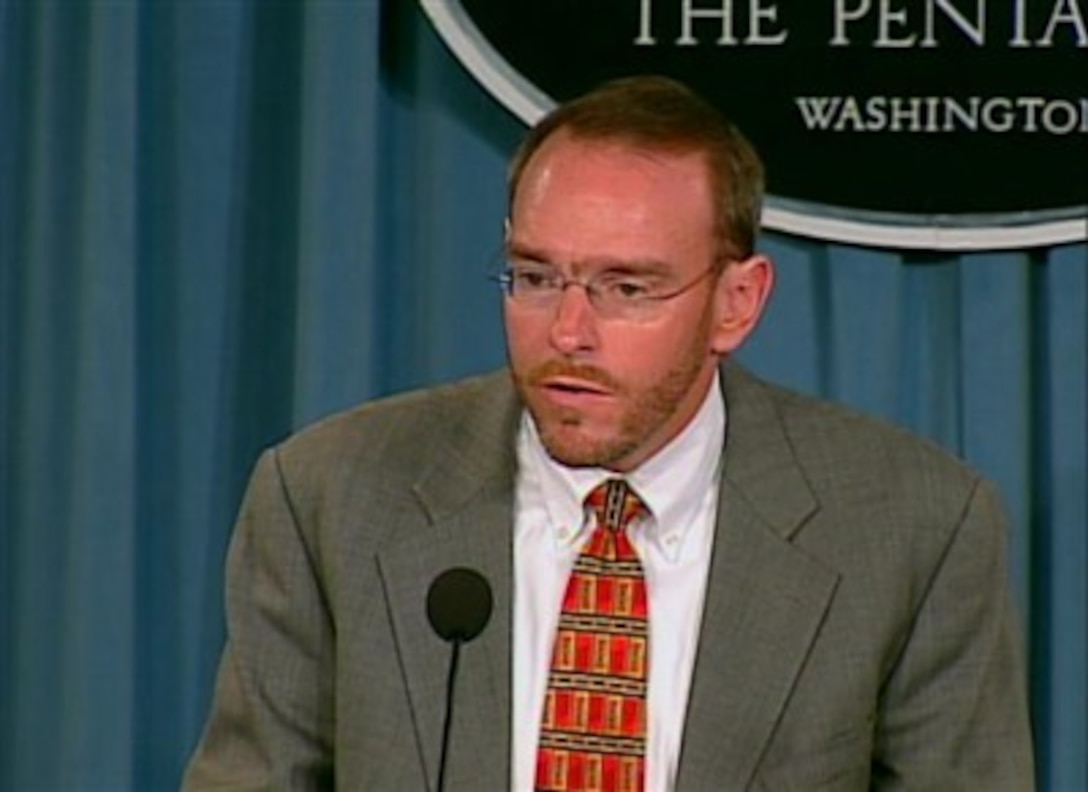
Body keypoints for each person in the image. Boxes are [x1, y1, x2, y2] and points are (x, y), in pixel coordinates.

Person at [184, 75, 1035, 790]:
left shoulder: (915, 528)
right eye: (535, 276)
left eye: (626, 289)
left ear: (736, 303)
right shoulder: (332, 496)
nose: (567, 331)